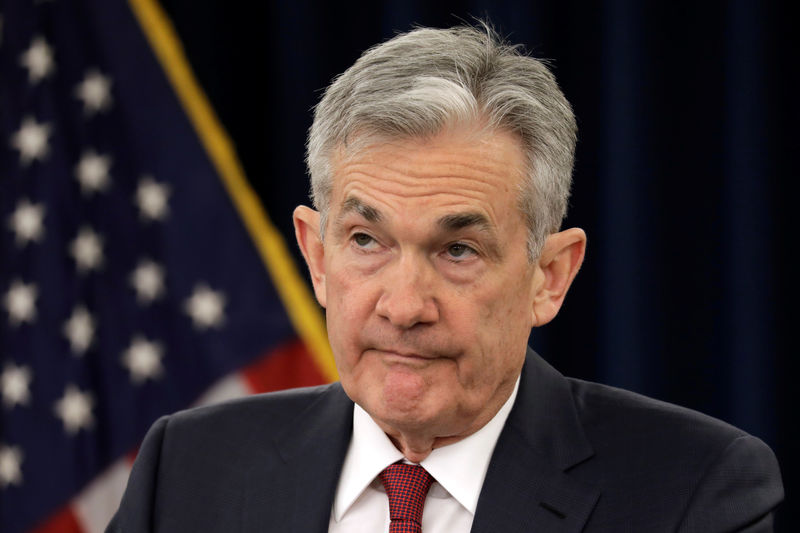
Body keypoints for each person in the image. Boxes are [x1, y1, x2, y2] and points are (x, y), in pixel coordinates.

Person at [107, 23, 783, 532]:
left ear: (549, 274)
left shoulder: (692, 492)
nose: (403, 307)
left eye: (458, 249)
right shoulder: (187, 469)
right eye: (366, 240)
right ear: (317, 256)